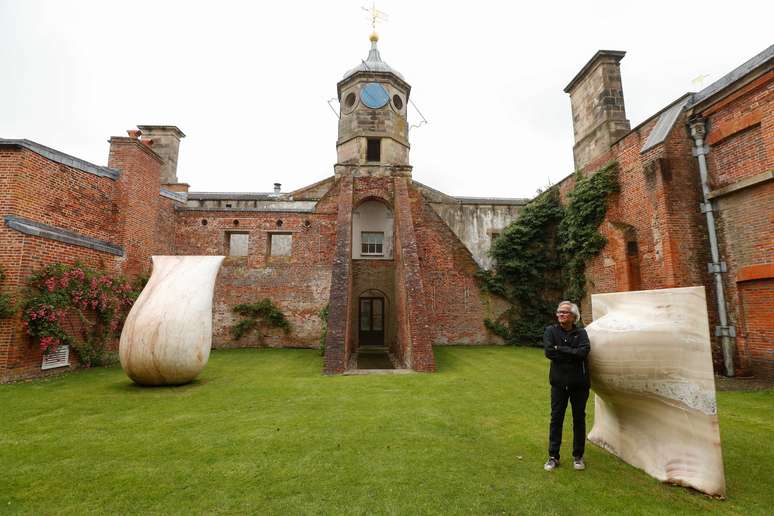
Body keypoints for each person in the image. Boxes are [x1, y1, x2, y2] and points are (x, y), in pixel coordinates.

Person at [543, 301, 590, 471]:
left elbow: (583, 352)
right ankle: (553, 456)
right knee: (556, 419)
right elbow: (549, 352)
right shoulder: (551, 331)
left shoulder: (581, 333)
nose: (561, 314)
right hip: (559, 384)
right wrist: (571, 351)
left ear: (574, 316)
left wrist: (560, 349)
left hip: (579, 384)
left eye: (565, 312)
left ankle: (578, 456)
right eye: (559, 312)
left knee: (579, 419)